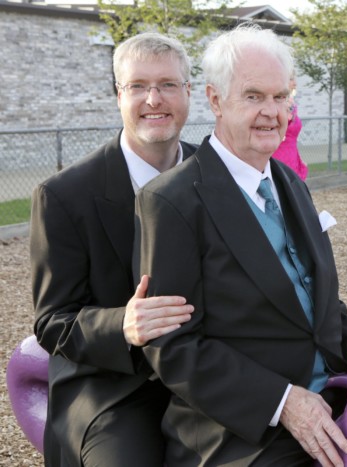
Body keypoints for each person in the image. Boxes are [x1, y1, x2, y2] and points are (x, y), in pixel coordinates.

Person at [133, 24, 347, 467]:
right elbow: (174, 347)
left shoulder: (290, 182)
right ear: (215, 100)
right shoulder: (171, 200)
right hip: (241, 434)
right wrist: (283, 403)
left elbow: (325, 306)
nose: (271, 112)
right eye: (253, 96)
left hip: (333, 399)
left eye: (280, 97)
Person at [30, 33, 197, 466]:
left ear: (189, 93)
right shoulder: (64, 195)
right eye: (138, 86)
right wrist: (122, 324)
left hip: (207, 373)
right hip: (111, 386)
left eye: (168, 84)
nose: (153, 99)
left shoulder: (216, 174)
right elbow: (53, 321)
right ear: (117, 95)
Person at [272, 68, 309, 180]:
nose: (295, 83)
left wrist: (299, 158)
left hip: (292, 155)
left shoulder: (291, 103)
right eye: (291, 79)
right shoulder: (278, 104)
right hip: (279, 156)